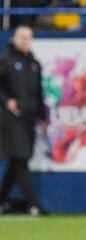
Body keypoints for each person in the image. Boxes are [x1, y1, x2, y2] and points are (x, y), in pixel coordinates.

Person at [0, 25, 46, 216]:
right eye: (22, 37)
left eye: (28, 37)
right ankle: (35, 205)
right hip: (10, 118)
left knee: (17, 160)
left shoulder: (34, 63)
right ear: (14, 38)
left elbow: (39, 93)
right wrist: (7, 101)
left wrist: (43, 118)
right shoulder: (5, 60)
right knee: (20, 159)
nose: (25, 40)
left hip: (28, 119)